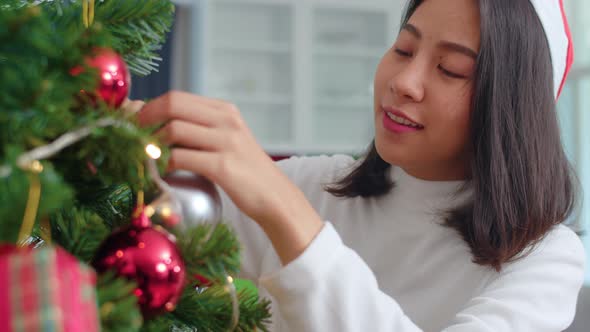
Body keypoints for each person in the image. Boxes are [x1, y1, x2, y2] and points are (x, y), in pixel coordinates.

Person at [133, 0, 586, 330]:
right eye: (404, 50)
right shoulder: (317, 186)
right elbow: (149, 213)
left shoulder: (545, 258)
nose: (404, 83)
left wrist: (285, 211)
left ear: (510, 107)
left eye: (450, 69)